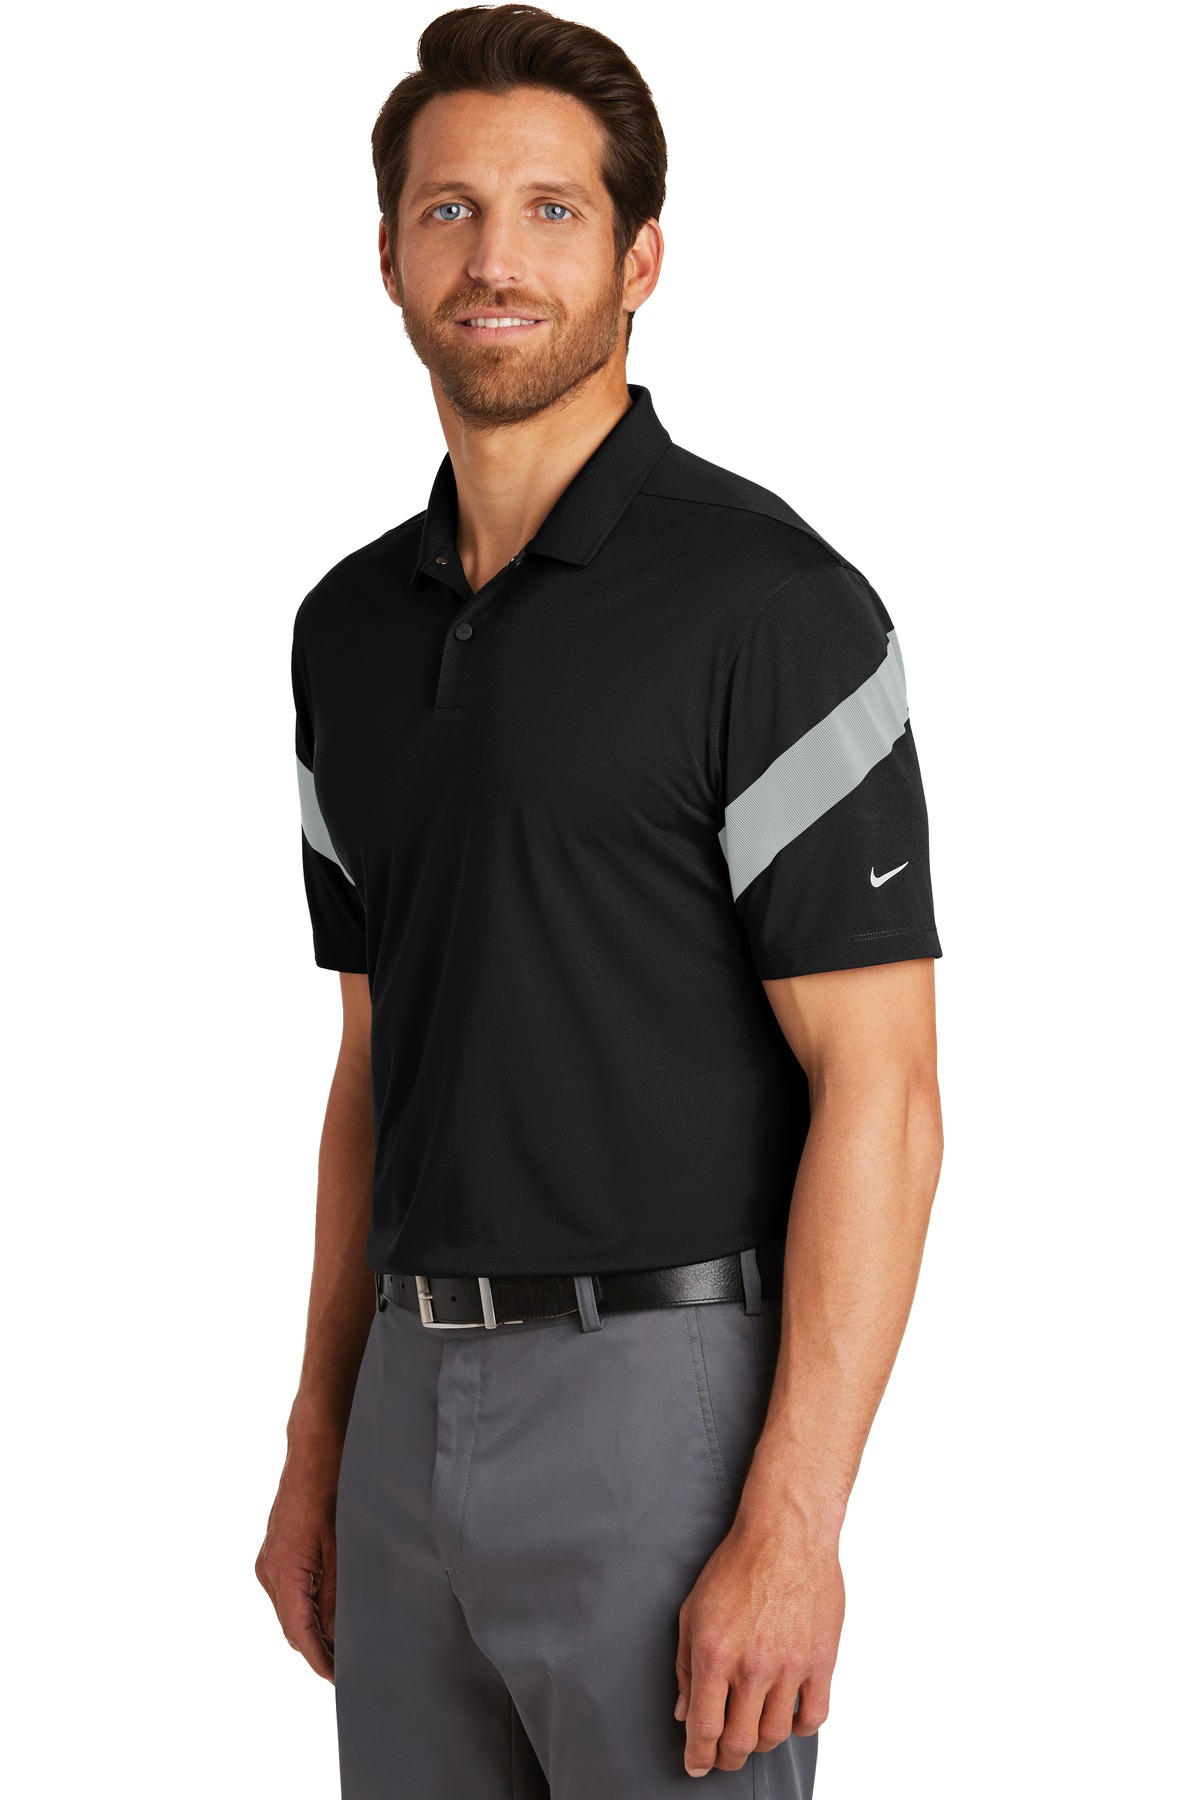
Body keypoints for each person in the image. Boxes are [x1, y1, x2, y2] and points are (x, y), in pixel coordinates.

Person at [254, 6, 944, 1795]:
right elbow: (375, 1061)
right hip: (404, 1403)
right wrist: (320, 1435)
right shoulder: (345, 632)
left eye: (552, 211)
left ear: (641, 259)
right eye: (451, 210)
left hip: (664, 1409)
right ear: (389, 254)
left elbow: (883, 1086)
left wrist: (795, 1519)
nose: (495, 258)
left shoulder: (771, 607)